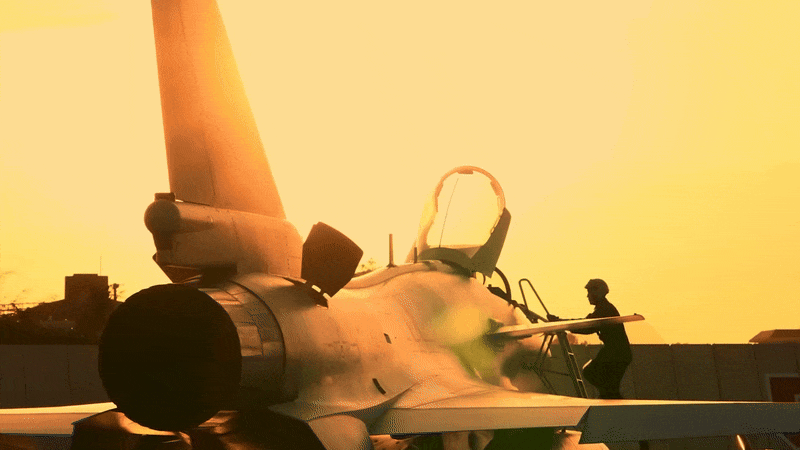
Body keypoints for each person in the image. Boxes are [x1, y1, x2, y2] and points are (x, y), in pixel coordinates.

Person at [548, 279, 632, 399]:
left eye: (590, 292)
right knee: (603, 381)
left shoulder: (604, 310)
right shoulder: (603, 308)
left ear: (598, 292)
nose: (587, 296)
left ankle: (610, 399)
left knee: (591, 373)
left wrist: (560, 323)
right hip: (616, 352)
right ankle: (609, 398)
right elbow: (586, 323)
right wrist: (560, 321)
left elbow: (587, 327)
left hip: (616, 353)